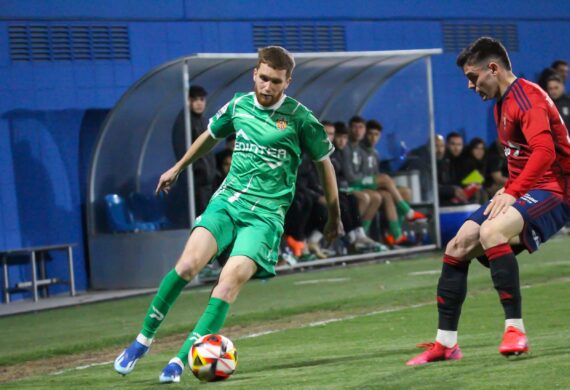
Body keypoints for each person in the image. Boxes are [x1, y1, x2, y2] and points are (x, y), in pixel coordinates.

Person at [114, 46, 344, 383]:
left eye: (276, 82)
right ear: (255, 74)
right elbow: (210, 136)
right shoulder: (238, 105)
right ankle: (141, 341)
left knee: (229, 280)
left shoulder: (301, 119)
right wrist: (178, 167)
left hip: (265, 217)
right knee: (187, 266)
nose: (267, 87)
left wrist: (334, 215)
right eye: (263, 78)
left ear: (287, 82)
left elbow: (326, 166)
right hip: (228, 203)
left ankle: (181, 360)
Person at [407, 36, 570, 366]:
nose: (470, 85)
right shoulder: (502, 103)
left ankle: (515, 330)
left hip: (556, 189)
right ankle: (446, 344)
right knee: (457, 245)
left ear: (492, 68)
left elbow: (544, 152)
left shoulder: (529, 98)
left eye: (472, 77)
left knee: (491, 233)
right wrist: (509, 186)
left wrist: (512, 191)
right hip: (527, 188)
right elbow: (522, 158)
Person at [171, 85, 217, 220]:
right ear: (188, 101)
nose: (199, 103)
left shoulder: (202, 120)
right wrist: (195, 172)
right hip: (195, 184)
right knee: (201, 220)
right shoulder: (184, 122)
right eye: (195, 99)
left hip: (207, 182)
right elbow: (182, 151)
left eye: (201, 99)